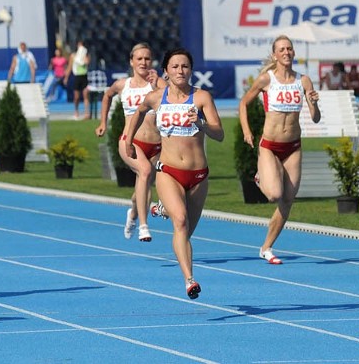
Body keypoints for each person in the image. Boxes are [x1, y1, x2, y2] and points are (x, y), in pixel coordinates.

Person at [125, 48, 224, 299]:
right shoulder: (156, 98)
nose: (180, 71)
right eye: (175, 66)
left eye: (185, 66)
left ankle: (163, 209)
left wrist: (200, 122)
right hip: (168, 171)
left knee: (186, 230)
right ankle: (189, 280)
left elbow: (219, 134)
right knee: (180, 222)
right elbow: (137, 113)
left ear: (191, 70)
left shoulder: (201, 98)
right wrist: (128, 140)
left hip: (198, 175)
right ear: (166, 71)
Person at [239, 35, 321, 265]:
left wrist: (313, 102)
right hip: (270, 146)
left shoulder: (303, 81)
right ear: (275, 55)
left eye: (289, 48)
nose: (286, 52)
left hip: (293, 147)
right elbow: (244, 103)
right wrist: (247, 131)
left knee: (287, 200)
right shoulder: (267, 79)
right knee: (274, 194)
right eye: (282, 49)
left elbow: (315, 118)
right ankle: (259, 177)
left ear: (294, 53)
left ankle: (266, 247)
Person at [95, 43, 167, 243]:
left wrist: (160, 86)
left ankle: (133, 214)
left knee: (143, 188)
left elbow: (175, 99)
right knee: (144, 172)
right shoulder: (122, 85)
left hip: (156, 144)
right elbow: (107, 95)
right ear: (131, 61)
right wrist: (103, 123)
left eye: (147, 58)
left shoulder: (158, 83)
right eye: (139, 58)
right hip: (130, 140)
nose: (143, 62)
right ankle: (144, 227)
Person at [65, 40, 91, 120]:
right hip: (77, 76)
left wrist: (84, 57)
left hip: (84, 76)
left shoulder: (86, 55)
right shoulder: (73, 56)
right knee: (76, 96)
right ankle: (76, 111)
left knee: (85, 95)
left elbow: (87, 62)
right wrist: (66, 77)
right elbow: (69, 67)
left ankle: (87, 113)